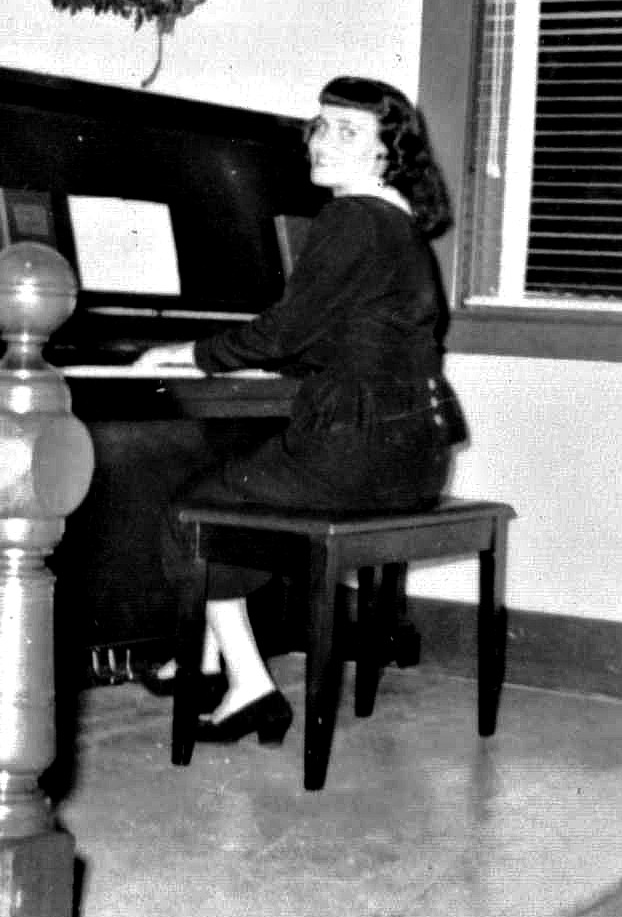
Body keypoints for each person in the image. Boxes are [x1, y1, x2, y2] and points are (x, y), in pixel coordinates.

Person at [132, 75, 467, 745]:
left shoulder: (349, 218)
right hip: (416, 456)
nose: (323, 143)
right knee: (234, 490)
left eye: (348, 132)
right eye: (320, 127)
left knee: (188, 514)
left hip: (358, 452)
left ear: (384, 153)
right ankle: (200, 658)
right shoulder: (397, 223)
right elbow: (340, 336)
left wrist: (186, 353)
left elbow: (285, 333)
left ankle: (246, 681)